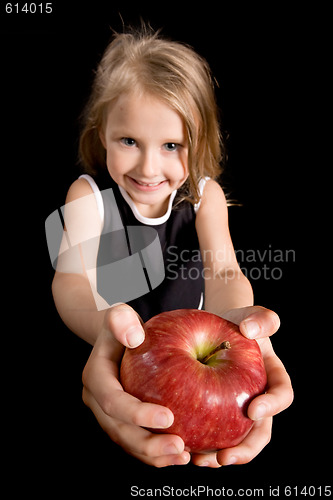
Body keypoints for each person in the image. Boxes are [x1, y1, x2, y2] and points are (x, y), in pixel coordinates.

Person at [51, 27, 293, 468]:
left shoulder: (204, 197)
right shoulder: (87, 197)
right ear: (101, 130)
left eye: (171, 146)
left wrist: (236, 329)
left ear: (197, 143)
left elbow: (223, 273)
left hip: (192, 359)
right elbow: (70, 280)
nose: (149, 166)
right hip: (114, 358)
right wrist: (110, 329)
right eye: (129, 141)